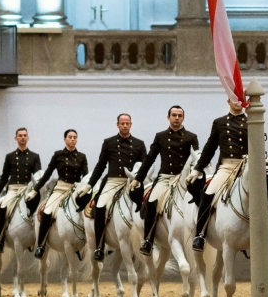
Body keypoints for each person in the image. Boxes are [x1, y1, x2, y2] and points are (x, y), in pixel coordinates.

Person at [132, 106, 199, 256]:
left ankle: (201, 235)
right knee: (150, 201)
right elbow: (150, 158)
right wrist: (138, 178)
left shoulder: (191, 137)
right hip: (165, 178)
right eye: (174, 115)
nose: (177, 118)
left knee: (200, 200)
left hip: (184, 178)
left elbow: (196, 158)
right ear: (168, 117)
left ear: (183, 118)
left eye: (180, 115)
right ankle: (148, 239)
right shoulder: (160, 136)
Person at [187, 99, 248, 253]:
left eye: (241, 98)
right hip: (226, 168)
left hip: (247, 167)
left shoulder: (251, 121)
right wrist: (198, 168)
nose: (237, 102)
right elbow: (210, 148)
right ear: (228, 100)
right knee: (208, 193)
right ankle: (200, 234)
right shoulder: (219, 122)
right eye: (234, 98)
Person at [88, 113, 148, 261]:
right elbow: (101, 166)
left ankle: (147, 241)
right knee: (100, 205)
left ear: (131, 125)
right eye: (122, 123)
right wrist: (90, 184)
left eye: (127, 123)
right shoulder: (109, 142)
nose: (125, 125)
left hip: (132, 183)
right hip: (113, 182)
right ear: (118, 125)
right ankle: (99, 247)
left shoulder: (139, 144)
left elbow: (145, 166)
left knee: (146, 204)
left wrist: (139, 180)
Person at [30, 129, 88, 259]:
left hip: (76, 189)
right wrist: (35, 189)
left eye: (75, 137)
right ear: (65, 139)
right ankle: (41, 245)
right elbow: (47, 174)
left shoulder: (82, 156)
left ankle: (86, 244)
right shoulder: (58, 155)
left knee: (88, 212)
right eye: (70, 137)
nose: (72, 139)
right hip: (60, 189)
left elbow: (85, 176)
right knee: (47, 211)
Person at [0, 128, 41, 254]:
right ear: (16, 138)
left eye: (25, 135)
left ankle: (41, 240)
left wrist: (35, 190)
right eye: (20, 135)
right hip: (13, 189)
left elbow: (37, 176)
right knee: (2, 207)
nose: (22, 137)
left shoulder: (34, 156)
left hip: (27, 189)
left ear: (28, 138)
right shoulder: (10, 156)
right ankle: (0, 241)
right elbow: (4, 177)